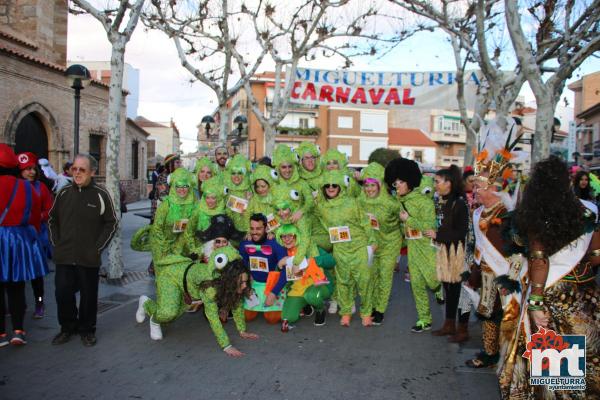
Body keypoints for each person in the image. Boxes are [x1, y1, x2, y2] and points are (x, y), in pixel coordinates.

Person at [498, 156, 600, 398]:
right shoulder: (590, 210)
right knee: (585, 354)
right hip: (583, 292)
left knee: (556, 363)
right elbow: (596, 255)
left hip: (549, 293)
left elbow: (539, 261)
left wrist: (535, 303)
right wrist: (578, 264)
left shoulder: (537, 214)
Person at [135, 247, 259, 357]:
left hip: (189, 287)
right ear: (230, 280)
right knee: (168, 313)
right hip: (171, 276)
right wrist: (226, 346)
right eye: (241, 283)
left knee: (173, 316)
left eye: (245, 282)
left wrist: (242, 330)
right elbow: (213, 317)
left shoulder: (227, 279)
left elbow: (236, 303)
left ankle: (153, 309)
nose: (244, 286)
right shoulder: (211, 288)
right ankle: (148, 308)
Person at [49, 154, 118, 347]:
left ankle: (87, 330)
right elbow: (52, 220)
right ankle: (67, 328)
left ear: (92, 172)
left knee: (88, 296)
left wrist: (97, 248)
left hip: (89, 257)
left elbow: (111, 223)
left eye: (82, 170)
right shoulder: (63, 193)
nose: (77, 173)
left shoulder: (100, 194)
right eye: (74, 169)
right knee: (62, 293)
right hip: (64, 256)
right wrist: (57, 242)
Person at [384, 157, 441, 333]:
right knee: (416, 285)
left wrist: (408, 219)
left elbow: (429, 227)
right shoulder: (399, 202)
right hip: (412, 249)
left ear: (409, 182)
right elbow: (401, 228)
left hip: (427, 248)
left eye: (400, 182)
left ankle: (440, 288)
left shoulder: (424, 202)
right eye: (395, 183)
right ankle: (424, 319)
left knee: (433, 282)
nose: (397, 186)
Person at [315, 170, 377, 327]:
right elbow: (317, 220)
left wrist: (372, 241)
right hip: (340, 249)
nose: (330, 188)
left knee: (364, 281)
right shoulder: (321, 207)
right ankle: (346, 312)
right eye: (327, 185)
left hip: (359, 247)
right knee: (343, 282)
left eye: (334, 185)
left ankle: (366, 313)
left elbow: (365, 222)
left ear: (340, 186)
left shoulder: (352, 202)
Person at [0, 144, 46, 346]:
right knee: (16, 286)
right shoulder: (26, 187)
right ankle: (18, 330)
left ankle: (1, 333)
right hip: (18, 240)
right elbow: (35, 216)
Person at [358, 162, 403, 325]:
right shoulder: (360, 202)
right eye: (366, 185)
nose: (369, 189)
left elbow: (404, 222)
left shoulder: (391, 203)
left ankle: (380, 310)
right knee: (371, 277)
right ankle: (370, 305)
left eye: (373, 185)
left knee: (384, 275)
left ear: (380, 185)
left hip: (389, 243)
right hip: (370, 244)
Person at [428, 165, 469, 338]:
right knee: (449, 290)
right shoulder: (441, 201)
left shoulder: (459, 203)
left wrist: (437, 235)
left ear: (449, 183)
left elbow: (461, 232)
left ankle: (462, 328)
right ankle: (449, 324)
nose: (435, 184)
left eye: (437, 181)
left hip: (458, 253)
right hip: (444, 251)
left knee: (461, 292)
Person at [277, 224, 334, 331]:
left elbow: (331, 261)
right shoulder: (284, 251)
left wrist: (312, 261)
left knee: (312, 296)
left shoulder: (311, 248)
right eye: (283, 236)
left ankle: (320, 309)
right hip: (298, 288)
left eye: (291, 236)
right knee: (287, 317)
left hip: (319, 285)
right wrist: (279, 265)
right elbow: (279, 273)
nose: (287, 239)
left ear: (297, 236)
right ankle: (305, 305)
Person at [17, 152, 53, 319]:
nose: (31, 172)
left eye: (33, 168)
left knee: (37, 276)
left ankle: (39, 302)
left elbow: (49, 209)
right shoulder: (14, 187)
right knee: (16, 275)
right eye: (26, 169)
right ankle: (19, 304)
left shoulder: (41, 187)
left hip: (36, 238)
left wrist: (40, 216)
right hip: (17, 238)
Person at [239, 213, 289, 324]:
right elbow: (240, 264)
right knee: (246, 317)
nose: (254, 232)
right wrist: (245, 282)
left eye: (258, 228)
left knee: (272, 319)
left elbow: (286, 269)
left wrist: (274, 293)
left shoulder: (275, 243)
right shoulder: (245, 243)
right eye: (252, 228)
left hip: (272, 285)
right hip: (254, 285)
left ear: (266, 228)